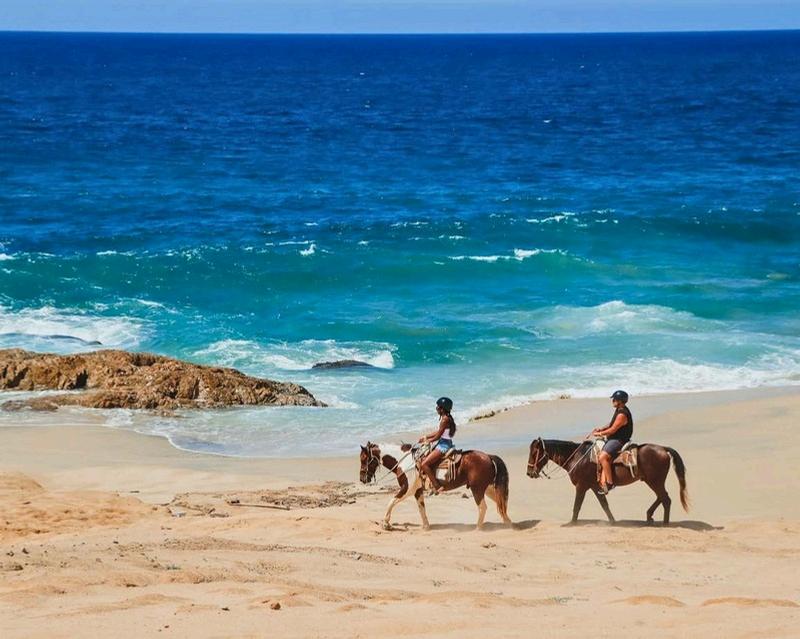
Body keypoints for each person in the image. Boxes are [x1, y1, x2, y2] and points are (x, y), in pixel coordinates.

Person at [592, 390, 633, 494]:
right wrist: (601, 428)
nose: (613, 401)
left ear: (620, 401)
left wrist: (599, 434)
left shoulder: (622, 414)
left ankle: (610, 483)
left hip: (619, 440)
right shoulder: (619, 409)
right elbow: (611, 424)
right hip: (614, 438)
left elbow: (612, 430)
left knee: (602, 457)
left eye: (614, 399)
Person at [418, 397, 456, 494]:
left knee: (424, 464)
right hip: (444, 442)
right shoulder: (446, 418)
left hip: (443, 445)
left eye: (438, 407)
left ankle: (437, 486)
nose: (436, 409)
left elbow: (438, 436)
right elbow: (439, 431)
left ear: (442, 409)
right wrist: (426, 436)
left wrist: (428, 441)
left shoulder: (444, 420)